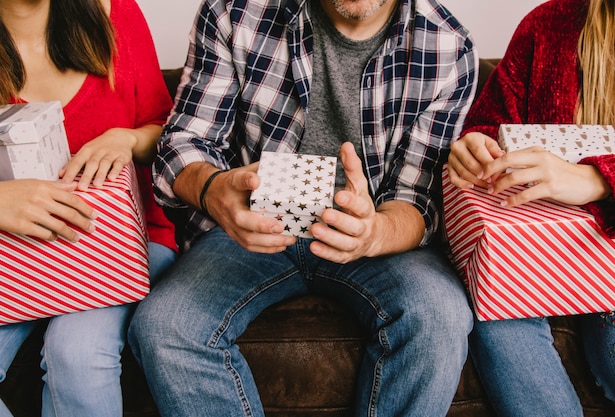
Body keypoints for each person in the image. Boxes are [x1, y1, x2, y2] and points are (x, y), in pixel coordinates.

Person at [127, 0, 478, 415]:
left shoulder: (447, 45)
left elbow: (417, 200)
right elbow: (183, 142)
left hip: (377, 237)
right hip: (250, 230)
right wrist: (213, 189)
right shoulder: (233, 12)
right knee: (164, 327)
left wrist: (374, 233)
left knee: (438, 318)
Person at [447, 0, 615, 415]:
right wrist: (477, 148)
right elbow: (490, 128)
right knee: (498, 320)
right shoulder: (549, 25)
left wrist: (599, 180)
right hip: (534, 252)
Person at [0, 0, 178, 416]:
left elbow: (172, 133)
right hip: (15, 255)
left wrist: (128, 139)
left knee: (76, 353)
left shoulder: (115, 14)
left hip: (123, 246)